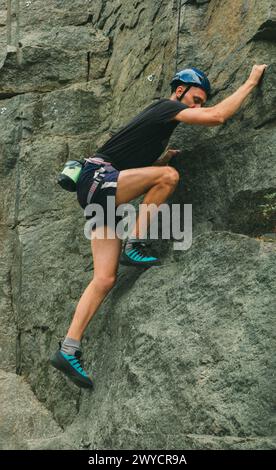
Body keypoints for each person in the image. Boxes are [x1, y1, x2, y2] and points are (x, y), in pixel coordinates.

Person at [50, 64, 267, 389]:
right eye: (195, 98)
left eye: (198, 102)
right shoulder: (167, 107)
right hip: (99, 179)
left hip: (96, 191)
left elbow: (124, 159)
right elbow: (217, 116)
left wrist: (156, 162)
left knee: (104, 278)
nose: (195, 106)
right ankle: (135, 241)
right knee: (169, 178)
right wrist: (250, 81)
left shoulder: (157, 132)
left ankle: (68, 348)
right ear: (179, 91)